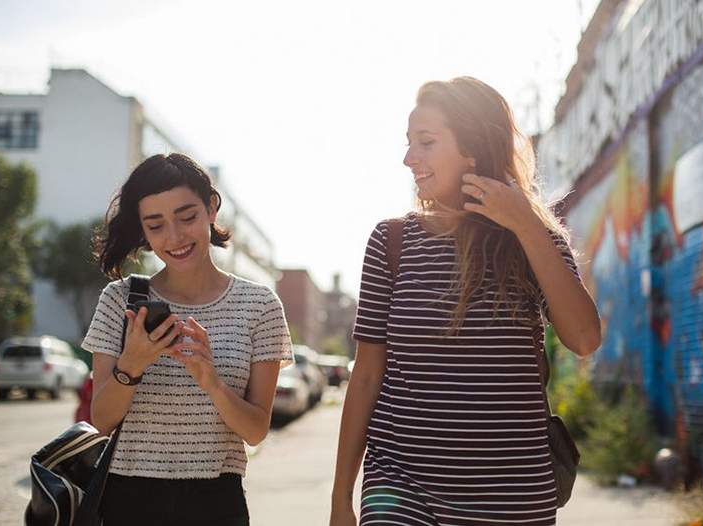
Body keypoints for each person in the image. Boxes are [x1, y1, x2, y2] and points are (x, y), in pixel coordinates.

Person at [330, 77, 601, 526]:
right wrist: (342, 497)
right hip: (399, 484)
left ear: (472, 148)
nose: (408, 158)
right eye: (408, 143)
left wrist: (527, 227)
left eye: (426, 142)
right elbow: (366, 375)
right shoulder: (391, 241)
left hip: (510, 494)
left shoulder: (534, 239)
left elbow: (585, 338)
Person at [83, 153, 292, 526]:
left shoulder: (260, 306)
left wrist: (210, 380)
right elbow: (101, 420)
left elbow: (256, 431)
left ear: (211, 207)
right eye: (156, 224)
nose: (175, 237)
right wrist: (132, 365)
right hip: (127, 500)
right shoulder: (119, 301)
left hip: (216, 500)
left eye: (187, 216)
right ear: (143, 231)